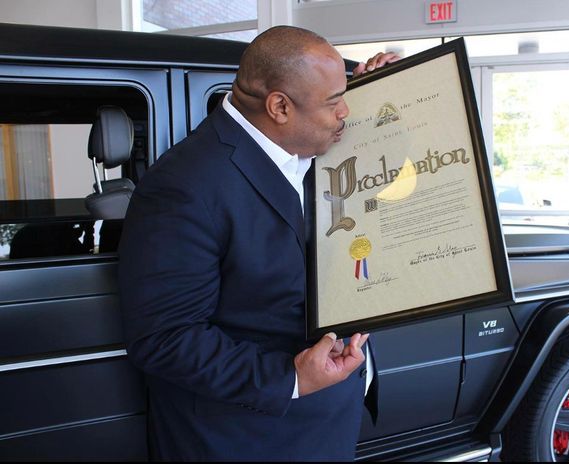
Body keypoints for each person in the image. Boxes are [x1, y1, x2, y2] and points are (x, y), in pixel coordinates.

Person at [118, 26, 399, 461]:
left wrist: (388, 90)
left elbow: (381, 176)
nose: (345, 110)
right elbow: (165, 338)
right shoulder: (184, 185)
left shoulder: (308, 145)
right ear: (280, 106)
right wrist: (291, 378)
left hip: (325, 423)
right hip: (248, 438)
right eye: (333, 101)